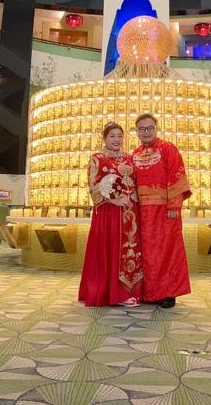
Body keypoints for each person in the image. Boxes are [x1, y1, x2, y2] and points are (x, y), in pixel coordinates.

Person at [78, 122, 143, 307]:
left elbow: (136, 183)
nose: (117, 140)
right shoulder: (97, 159)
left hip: (131, 213)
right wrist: (114, 200)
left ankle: (132, 291)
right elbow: (93, 186)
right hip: (109, 213)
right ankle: (114, 293)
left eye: (119, 136)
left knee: (130, 251)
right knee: (111, 249)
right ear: (105, 138)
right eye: (112, 136)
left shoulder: (130, 158)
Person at [132, 113, 191, 308]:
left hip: (165, 211)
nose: (146, 132)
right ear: (137, 131)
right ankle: (150, 294)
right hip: (142, 212)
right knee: (147, 254)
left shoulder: (168, 148)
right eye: (142, 129)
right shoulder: (135, 154)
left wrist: (174, 204)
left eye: (149, 128)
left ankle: (168, 293)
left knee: (168, 251)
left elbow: (177, 174)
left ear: (156, 129)